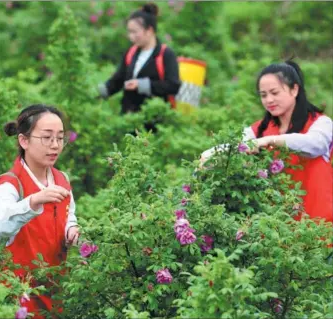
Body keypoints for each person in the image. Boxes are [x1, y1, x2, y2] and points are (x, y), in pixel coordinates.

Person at [200, 60, 333, 222]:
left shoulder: (321, 123)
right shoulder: (261, 129)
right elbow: (234, 144)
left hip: (319, 220)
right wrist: (209, 154)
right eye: (263, 95)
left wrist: (271, 140)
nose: (269, 100)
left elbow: (315, 145)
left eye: (275, 93)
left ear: (294, 90)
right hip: (278, 223)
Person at [0, 104, 80, 318]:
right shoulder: (10, 184)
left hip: (55, 290)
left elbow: (68, 214)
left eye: (60, 138)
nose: (55, 145)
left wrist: (71, 230)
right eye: (46, 138)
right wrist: (33, 201)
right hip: (18, 295)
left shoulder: (61, 179)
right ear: (24, 140)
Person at [98, 3, 181, 116]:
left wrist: (142, 85)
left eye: (134, 32)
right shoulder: (131, 53)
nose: (130, 36)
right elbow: (118, 80)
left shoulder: (166, 54)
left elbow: (173, 86)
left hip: (154, 120)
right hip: (128, 117)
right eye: (129, 31)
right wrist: (98, 92)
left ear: (149, 31)